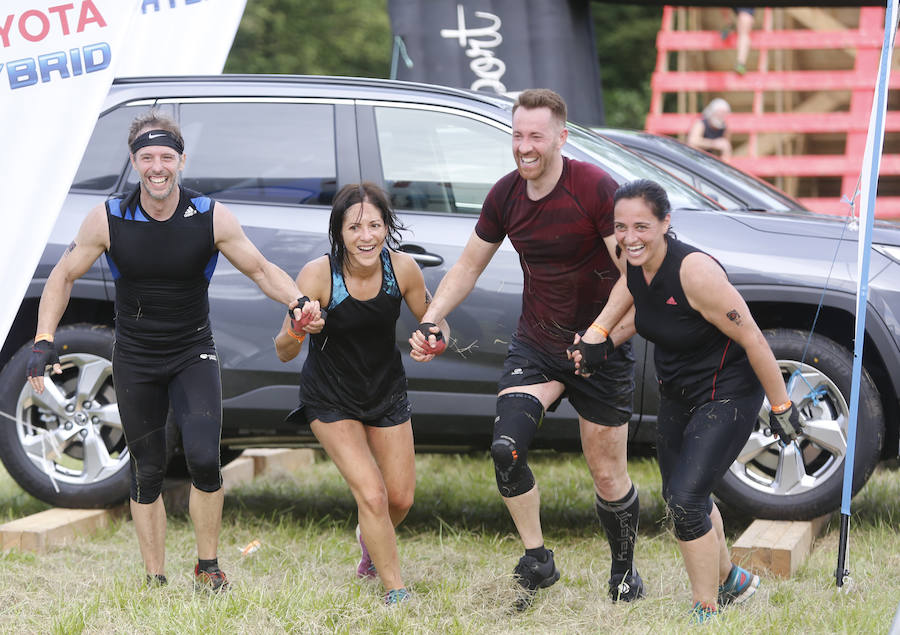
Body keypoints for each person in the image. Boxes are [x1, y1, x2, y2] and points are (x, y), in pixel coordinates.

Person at [26, 111, 319, 592]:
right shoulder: (109, 217)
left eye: (166, 156)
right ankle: (155, 578)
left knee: (205, 459)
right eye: (147, 157)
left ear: (181, 160)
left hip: (191, 354)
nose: (157, 166)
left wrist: (298, 301)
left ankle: (208, 566)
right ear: (134, 162)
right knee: (148, 470)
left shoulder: (209, 215)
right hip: (136, 358)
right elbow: (62, 276)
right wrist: (42, 339)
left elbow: (262, 269)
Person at [410, 88, 644, 609]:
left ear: (561, 136)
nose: (525, 146)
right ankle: (538, 559)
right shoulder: (506, 195)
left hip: (601, 344)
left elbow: (635, 276)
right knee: (506, 449)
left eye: (536, 135)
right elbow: (469, 265)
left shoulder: (595, 189)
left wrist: (603, 335)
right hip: (538, 344)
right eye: (517, 135)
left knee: (607, 474)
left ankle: (624, 570)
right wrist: (431, 318)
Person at [569, 179, 802, 622]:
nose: (630, 237)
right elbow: (636, 295)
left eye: (641, 226)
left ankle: (705, 607)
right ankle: (733, 580)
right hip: (676, 391)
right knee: (685, 495)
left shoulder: (695, 272)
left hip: (728, 391)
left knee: (685, 499)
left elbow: (752, 334)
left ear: (665, 223)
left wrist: (781, 405)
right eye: (621, 227)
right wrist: (601, 337)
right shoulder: (632, 257)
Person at [275, 182, 448, 605]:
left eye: (374, 225)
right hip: (330, 398)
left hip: (385, 391)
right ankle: (395, 590)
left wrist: (434, 340)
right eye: (355, 227)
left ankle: (370, 538)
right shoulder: (318, 274)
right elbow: (283, 349)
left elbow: (438, 323)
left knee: (400, 499)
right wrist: (300, 326)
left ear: (387, 227)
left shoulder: (403, 269)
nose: (366, 236)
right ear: (340, 232)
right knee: (371, 495)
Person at [686, 98, 733, 162]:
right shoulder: (701, 124)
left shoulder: (724, 128)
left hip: (710, 161)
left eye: (724, 113)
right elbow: (692, 142)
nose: (721, 115)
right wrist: (714, 144)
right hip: (696, 158)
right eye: (719, 112)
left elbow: (726, 147)